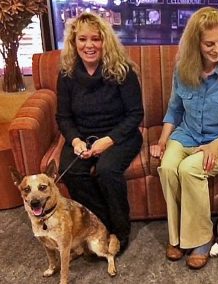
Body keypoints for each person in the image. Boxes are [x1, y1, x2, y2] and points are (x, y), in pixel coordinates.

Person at [150, 7, 218, 269]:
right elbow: (174, 109)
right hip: (187, 134)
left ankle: (201, 239)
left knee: (189, 170)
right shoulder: (183, 69)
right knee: (168, 167)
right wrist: (163, 140)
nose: (216, 49)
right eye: (209, 44)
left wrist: (214, 146)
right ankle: (177, 237)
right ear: (196, 43)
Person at [56, 12, 144, 254]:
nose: (89, 45)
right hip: (81, 137)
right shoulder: (66, 74)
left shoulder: (122, 71)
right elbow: (63, 117)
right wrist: (75, 141)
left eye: (96, 39)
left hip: (120, 136)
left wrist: (108, 141)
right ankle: (100, 226)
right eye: (82, 39)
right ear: (74, 43)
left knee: (106, 170)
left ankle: (120, 230)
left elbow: (135, 115)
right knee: (73, 172)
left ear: (106, 41)